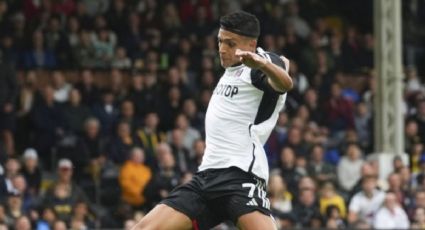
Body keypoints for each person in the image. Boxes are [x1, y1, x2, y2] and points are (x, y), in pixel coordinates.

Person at [134, 11, 292, 229]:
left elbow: (285, 83)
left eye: (230, 43)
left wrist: (263, 64)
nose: (222, 49)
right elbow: (285, 62)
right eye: (220, 41)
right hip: (206, 177)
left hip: (240, 176)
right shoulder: (233, 69)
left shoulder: (258, 69)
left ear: (251, 44)